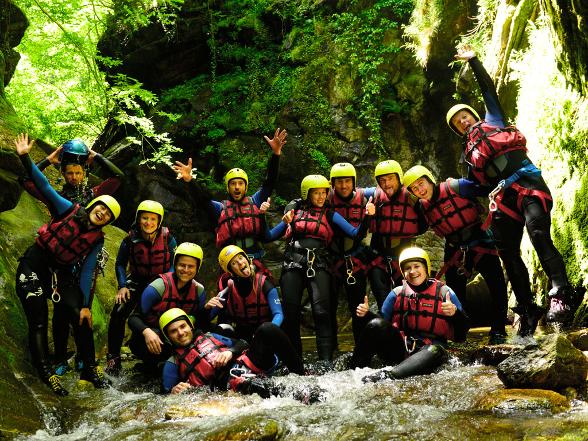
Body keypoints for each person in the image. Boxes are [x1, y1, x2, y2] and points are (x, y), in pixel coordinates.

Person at [447, 45, 574, 328]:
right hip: (503, 200)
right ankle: (527, 307)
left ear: (473, 115)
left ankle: (560, 292)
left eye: (464, 116)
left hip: (528, 185)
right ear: (458, 131)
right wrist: (454, 187)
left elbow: (488, 91)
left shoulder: (494, 120)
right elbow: (479, 186)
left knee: (538, 233)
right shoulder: (470, 157)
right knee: (507, 251)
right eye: (458, 123)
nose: (463, 122)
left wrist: (474, 62)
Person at [14, 133, 119, 395]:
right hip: (36, 265)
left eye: (78, 171)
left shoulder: (96, 230)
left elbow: (86, 272)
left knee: (78, 313)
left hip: (64, 269)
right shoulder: (64, 205)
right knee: (40, 318)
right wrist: (32, 158)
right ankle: (49, 369)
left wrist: (85, 306)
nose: (73, 176)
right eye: (69, 172)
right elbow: (35, 183)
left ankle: (89, 367)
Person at [403, 165, 508, 343]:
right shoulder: (422, 206)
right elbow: (416, 226)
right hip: (454, 248)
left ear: (430, 180)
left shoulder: (457, 186)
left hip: (479, 239)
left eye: (422, 184)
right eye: (414, 188)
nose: (420, 190)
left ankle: (498, 330)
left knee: (496, 284)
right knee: (453, 294)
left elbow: (488, 189)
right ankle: (460, 334)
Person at [280, 174, 375, 362]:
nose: (322, 197)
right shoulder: (294, 211)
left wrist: (367, 216)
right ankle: (294, 362)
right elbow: (270, 235)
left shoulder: (331, 214)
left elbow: (356, 234)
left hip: (319, 263)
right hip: (293, 262)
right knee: (290, 313)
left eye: (324, 193)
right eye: (316, 193)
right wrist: (288, 213)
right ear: (308, 194)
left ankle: (325, 362)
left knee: (322, 312)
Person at [172, 128, 287, 278]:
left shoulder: (256, 201)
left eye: (240, 183)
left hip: (256, 262)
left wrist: (276, 154)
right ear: (228, 187)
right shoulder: (220, 209)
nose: (237, 187)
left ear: (245, 187)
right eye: (233, 184)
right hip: (231, 267)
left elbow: (269, 183)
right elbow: (202, 199)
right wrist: (190, 181)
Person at [350, 247, 470, 381]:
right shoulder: (397, 293)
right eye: (407, 268)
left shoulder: (445, 293)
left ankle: (388, 376)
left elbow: (462, 333)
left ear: (426, 268)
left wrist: (454, 313)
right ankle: (353, 372)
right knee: (375, 324)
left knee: (435, 350)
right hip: (401, 349)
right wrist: (367, 314)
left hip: (429, 352)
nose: (412, 271)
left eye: (417, 266)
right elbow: (382, 325)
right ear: (402, 272)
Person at [160, 308, 312, 401]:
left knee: (267, 329)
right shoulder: (172, 363)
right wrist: (173, 392)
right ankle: (305, 396)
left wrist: (229, 352)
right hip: (228, 384)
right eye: (174, 331)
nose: (181, 333)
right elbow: (164, 397)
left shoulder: (210, 336)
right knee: (253, 386)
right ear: (168, 337)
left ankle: (301, 375)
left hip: (248, 363)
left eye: (183, 326)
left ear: (190, 325)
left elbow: (243, 343)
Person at [105, 200, 177, 374]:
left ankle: (168, 355)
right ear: (138, 219)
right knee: (119, 312)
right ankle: (114, 358)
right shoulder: (129, 239)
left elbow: (176, 262)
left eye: (153, 219)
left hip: (161, 282)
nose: (148, 223)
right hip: (137, 281)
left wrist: (169, 281)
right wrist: (122, 286)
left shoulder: (168, 238)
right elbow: (120, 264)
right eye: (145, 218)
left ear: (159, 221)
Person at [127, 242, 209, 373]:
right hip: (152, 338)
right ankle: (153, 366)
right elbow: (133, 318)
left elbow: (199, 322)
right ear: (175, 264)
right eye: (182, 265)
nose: (186, 270)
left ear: (197, 268)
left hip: (178, 337)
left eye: (191, 266)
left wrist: (208, 310)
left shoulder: (199, 291)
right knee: (155, 337)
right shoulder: (158, 287)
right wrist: (147, 332)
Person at [367, 160, 428, 311]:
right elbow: (348, 193)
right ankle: (387, 332)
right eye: (382, 180)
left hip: (403, 257)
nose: (386, 184)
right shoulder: (374, 195)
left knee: (408, 302)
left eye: (390, 179)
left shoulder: (412, 197)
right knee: (383, 302)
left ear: (399, 178)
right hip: (378, 259)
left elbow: (423, 225)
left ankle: (408, 333)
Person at [328, 162, 376, 344]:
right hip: (331, 260)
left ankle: (361, 349)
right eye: (339, 182)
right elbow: (303, 199)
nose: (343, 186)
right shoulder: (325, 198)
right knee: (329, 307)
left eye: (347, 181)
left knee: (358, 307)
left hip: (354, 260)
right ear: (332, 184)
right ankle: (331, 352)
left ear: (354, 182)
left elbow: (387, 189)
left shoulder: (365, 196)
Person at [206, 245, 284, 342]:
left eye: (241, 257)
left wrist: (266, 333)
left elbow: (278, 314)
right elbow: (207, 319)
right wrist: (207, 308)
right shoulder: (229, 289)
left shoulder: (264, 283)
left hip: (265, 334)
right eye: (234, 263)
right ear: (231, 272)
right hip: (242, 336)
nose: (240, 263)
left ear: (247, 259)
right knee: (217, 329)